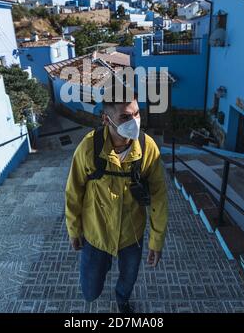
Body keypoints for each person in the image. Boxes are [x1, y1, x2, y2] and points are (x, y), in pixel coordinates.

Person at [65, 97, 168, 313]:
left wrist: (156, 241)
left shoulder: (147, 148)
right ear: (106, 119)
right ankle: (105, 263)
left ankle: (122, 300)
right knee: (90, 293)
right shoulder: (88, 149)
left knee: (128, 281)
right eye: (125, 117)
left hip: (131, 235)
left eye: (137, 113)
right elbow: (74, 192)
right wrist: (74, 230)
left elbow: (159, 196)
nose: (135, 121)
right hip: (96, 235)